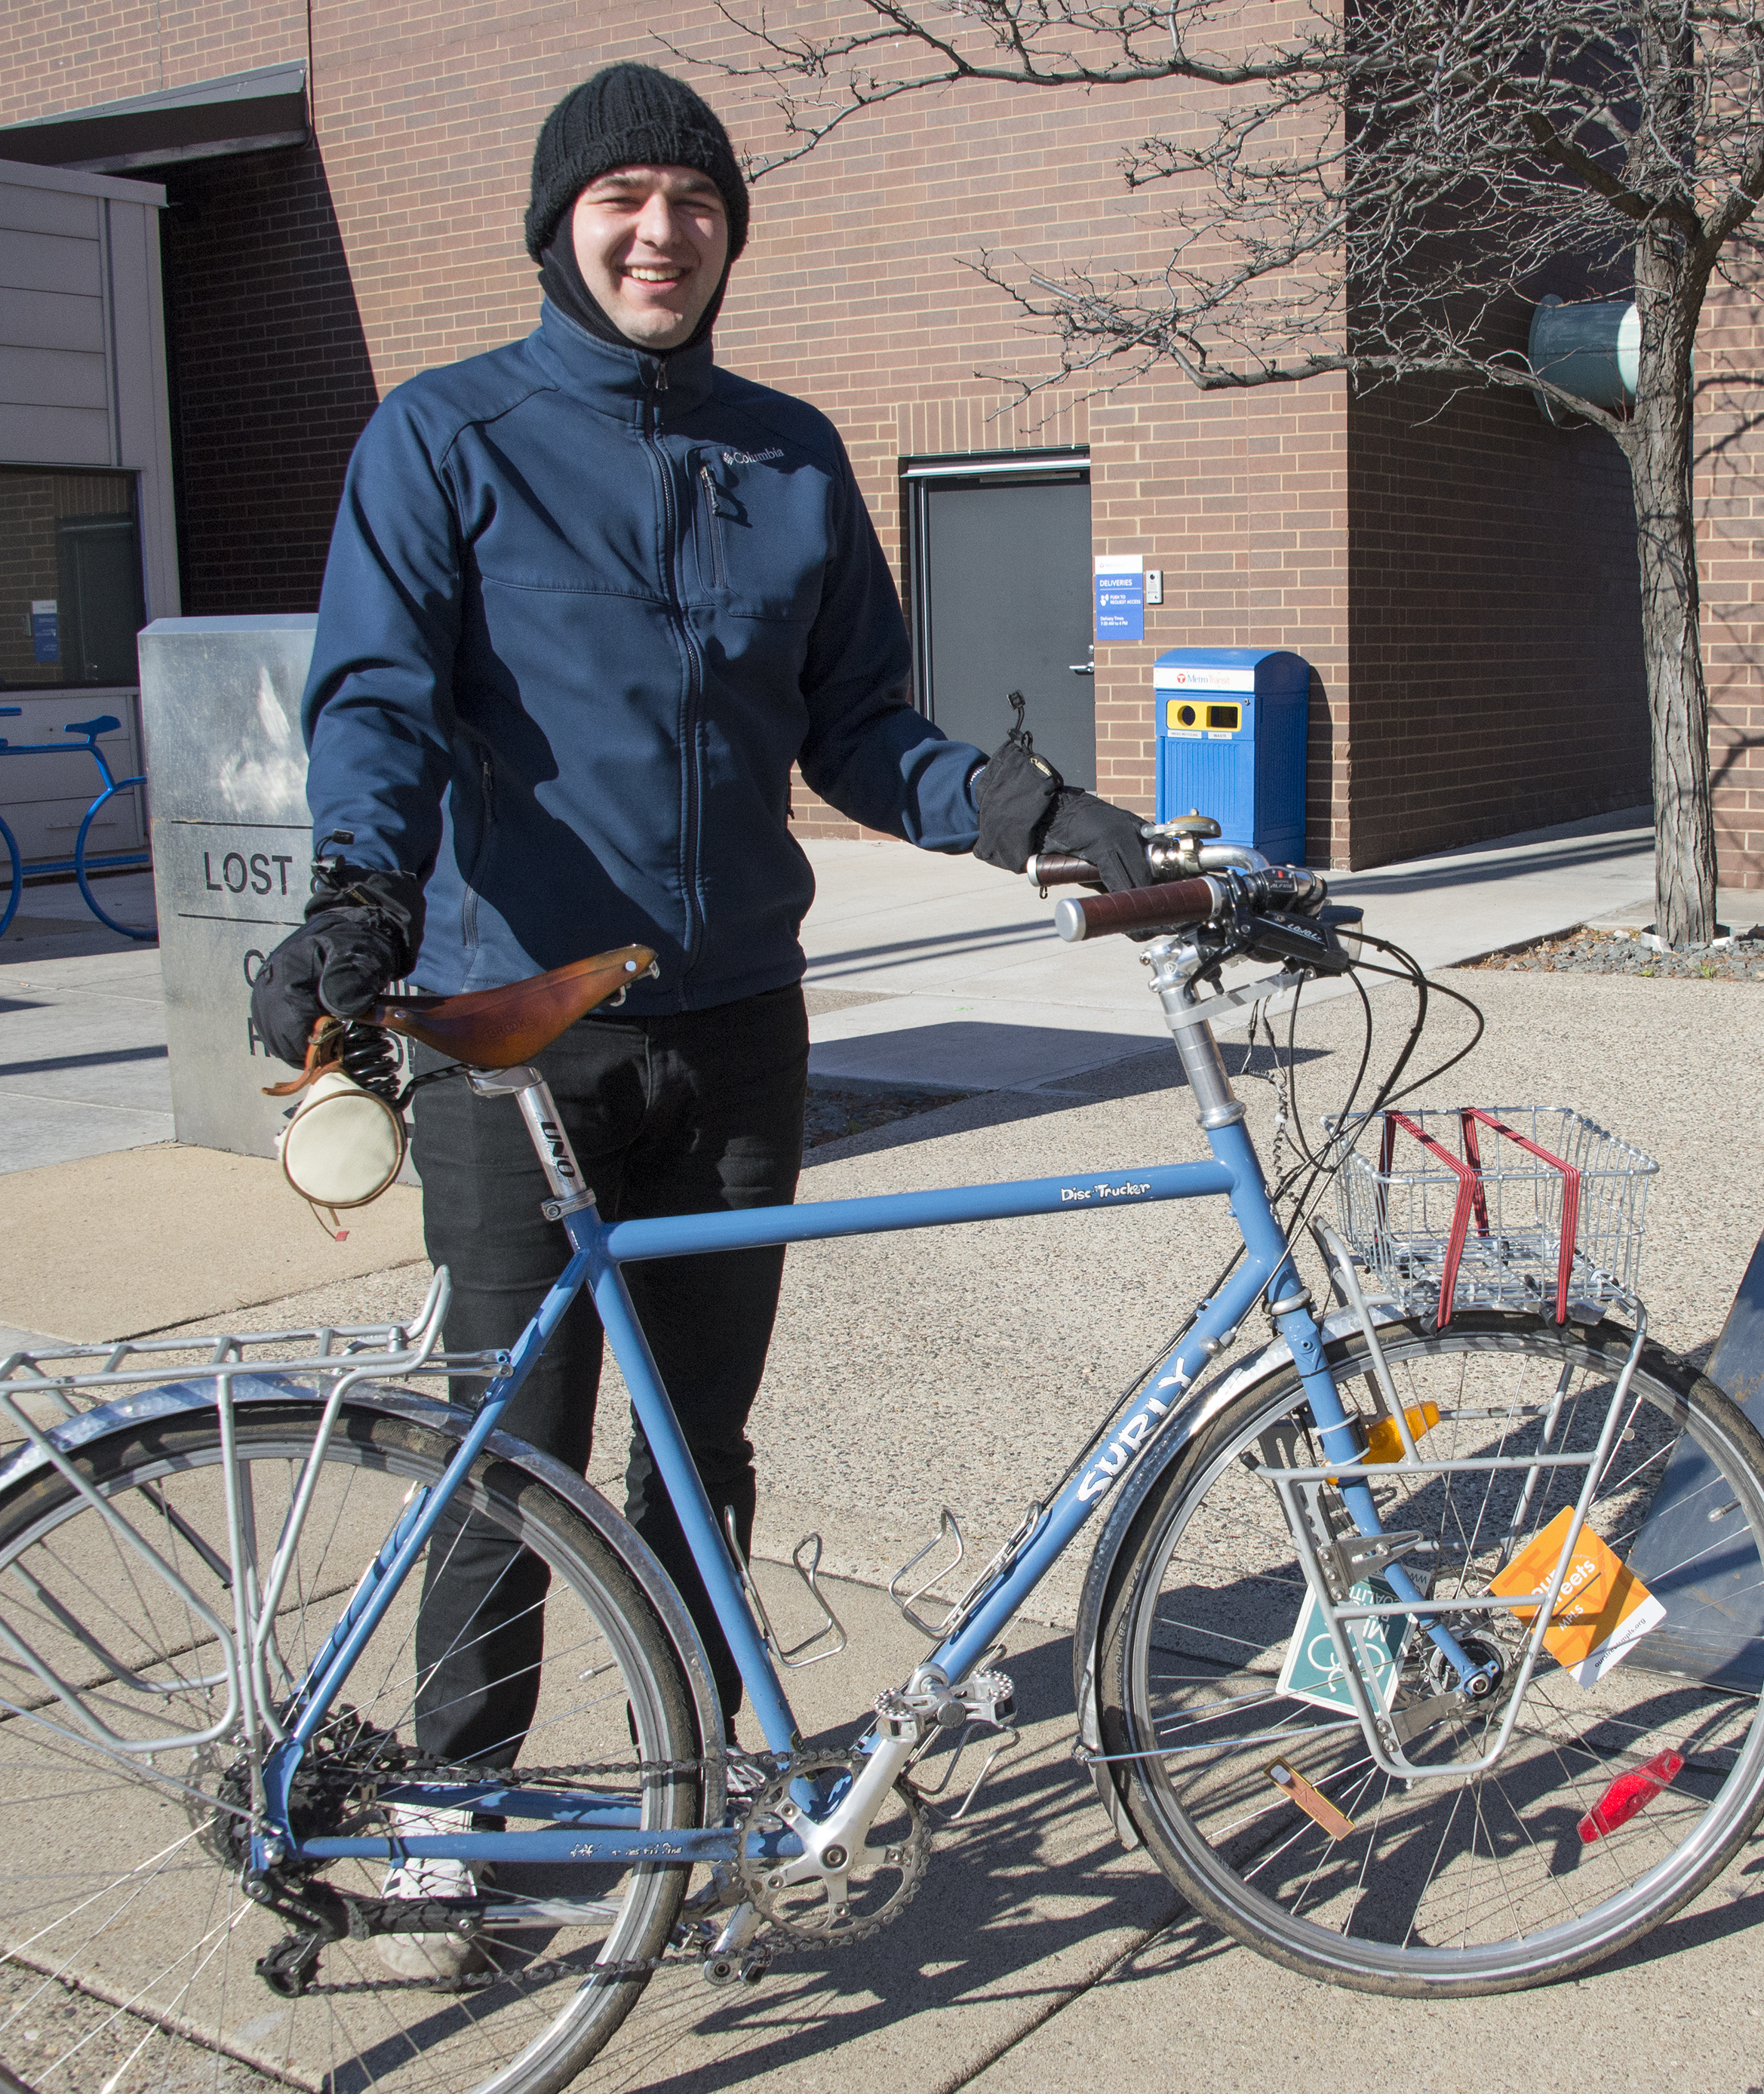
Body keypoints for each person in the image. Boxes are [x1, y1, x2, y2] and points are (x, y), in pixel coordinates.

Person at [250, 61, 1150, 1979]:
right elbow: (383, 706)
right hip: (524, 1031)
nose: (662, 232)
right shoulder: (447, 437)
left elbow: (863, 728)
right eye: (626, 198)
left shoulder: (791, 452)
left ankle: (680, 1795)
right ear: (561, 224)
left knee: (700, 1443)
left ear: (732, 235)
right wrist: (357, 895)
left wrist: (1029, 814)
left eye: (698, 202)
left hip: (737, 1019)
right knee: (508, 1451)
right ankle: (454, 1826)